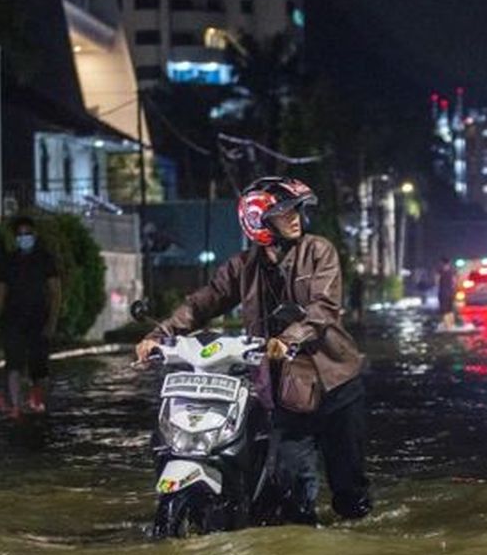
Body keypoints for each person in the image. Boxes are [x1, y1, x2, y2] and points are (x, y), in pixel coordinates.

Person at [135, 177, 371, 525]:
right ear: (259, 222)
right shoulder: (241, 267)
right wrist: (159, 334)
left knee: (349, 491)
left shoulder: (319, 251)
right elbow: (202, 303)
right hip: (286, 394)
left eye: (296, 210)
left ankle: (358, 544)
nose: (294, 218)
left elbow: (323, 308)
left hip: (336, 383)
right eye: (283, 212)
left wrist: (288, 339)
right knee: (290, 488)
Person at [0, 216, 62, 416]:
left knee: (39, 368)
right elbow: (0, 292)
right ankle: (15, 407)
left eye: (27, 234)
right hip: (13, 319)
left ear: (34, 235)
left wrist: (52, 322)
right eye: (19, 235)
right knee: (13, 363)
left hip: (38, 319)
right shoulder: (9, 261)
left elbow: (55, 292)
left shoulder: (45, 259)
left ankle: (39, 405)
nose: (24, 238)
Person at [437, 256, 458, 327]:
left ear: (442, 263)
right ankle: (452, 325)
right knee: (450, 309)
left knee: (444, 310)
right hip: (451, 291)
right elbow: (454, 281)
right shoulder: (453, 270)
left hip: (443, 291)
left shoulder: (440, 270)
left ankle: (447, 326)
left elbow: (437, 280)